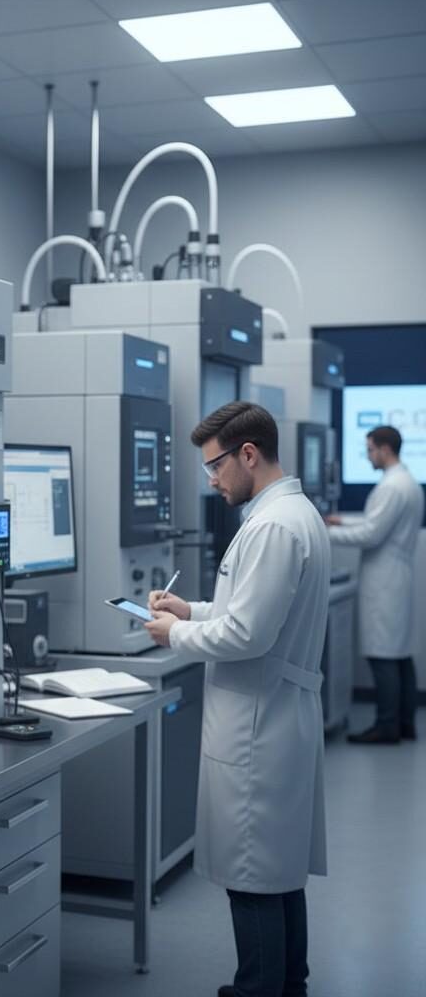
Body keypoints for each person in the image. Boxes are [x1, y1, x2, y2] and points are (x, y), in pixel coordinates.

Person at [145, 401, 329, 997]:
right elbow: (247, 612)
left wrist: (175, 634)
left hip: (259, 726)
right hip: (276, 715)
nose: (212, 479)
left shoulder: (273, 526)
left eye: (215, 466)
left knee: (253, 877)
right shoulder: (292, 515)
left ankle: (258, 989)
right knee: (277, 872)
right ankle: (287, 984)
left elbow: (248, 635)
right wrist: (191, 609)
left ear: (248, 453)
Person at [326, 425, 424, 744]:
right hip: (397, 576)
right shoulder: (406, 482)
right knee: (399, 655)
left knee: (383, 656)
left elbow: (371, 534)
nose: (368, 456)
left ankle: (386, 726)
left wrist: (322, 531)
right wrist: (345, 521)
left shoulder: (391, 488)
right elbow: (376, 524)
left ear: (384, 449)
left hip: (385, 582)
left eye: (369, 449)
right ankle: (405, 724)